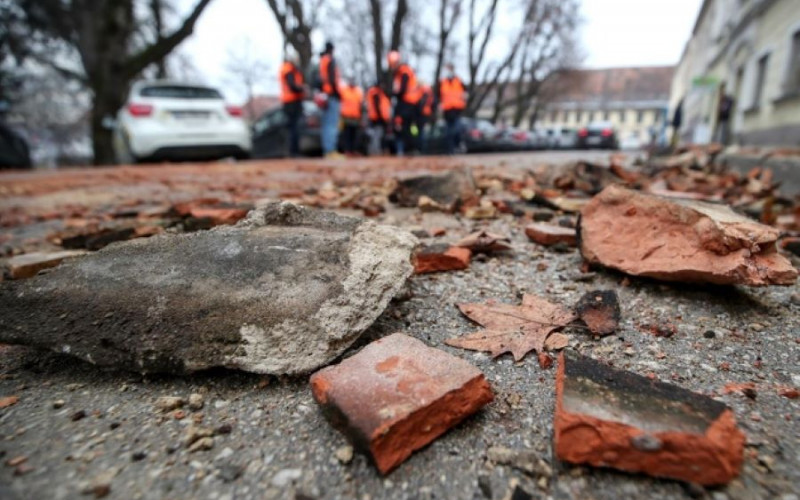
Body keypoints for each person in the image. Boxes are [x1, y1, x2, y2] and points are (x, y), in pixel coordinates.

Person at [387, 50, 421, 155]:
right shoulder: (402, 72)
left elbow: (402, 88)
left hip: (407, 103)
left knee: (404, 126)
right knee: (410, 127)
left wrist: (393, 94)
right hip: (410, 103)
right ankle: (411, 148)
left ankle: (407, 148)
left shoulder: (404, 71)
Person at [318, 41, 343, 158]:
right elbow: (332, 78)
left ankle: (327, 150)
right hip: (332, 95)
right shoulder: (330, 60)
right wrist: (337, 93)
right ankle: (331, 150)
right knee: (332, 124)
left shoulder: (322, 60)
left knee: (327, 123)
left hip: (326, 95)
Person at [279, 50, 305, 157]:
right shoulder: (289, 70)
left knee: (293, 127)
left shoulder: (292, 70)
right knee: (294, 127)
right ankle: (293, 152)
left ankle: (293, 151)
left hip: (292, 101)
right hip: (291, 102)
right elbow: (292, 86)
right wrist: (302, 89)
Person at [439, 63, 467, 154]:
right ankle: (451, 150)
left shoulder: (459, 81)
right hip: (447, 110)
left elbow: (466, 92)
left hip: (457, 109)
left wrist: (464, 99)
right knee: (448, 132)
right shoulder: (443, 82)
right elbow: (439, 95)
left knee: (456, 130)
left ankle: (458, 144)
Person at [339, 77, 363, 155]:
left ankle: (354, 150)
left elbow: (360, 105)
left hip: (356, 117)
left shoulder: (358, 91)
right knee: (347, 134)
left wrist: (361, 117)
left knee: (355, 134)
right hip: (346, 116)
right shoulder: (344, 91)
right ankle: (347, 150)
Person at [366, 81, 391, 155]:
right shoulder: (376, 94)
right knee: (376, 136)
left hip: (378, 118)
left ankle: (376, 150)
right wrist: (382, 117)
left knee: (377, 135)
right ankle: (375, 151)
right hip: (377, 119)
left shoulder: (380, 94)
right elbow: (377, 107)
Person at [417, 82, 433, 154]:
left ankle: (422, 149)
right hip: (426, 116)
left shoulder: (422, 93)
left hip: (423, 116)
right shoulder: (430, 94)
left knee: (422, 134)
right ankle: (424, 149)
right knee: (423, 133)